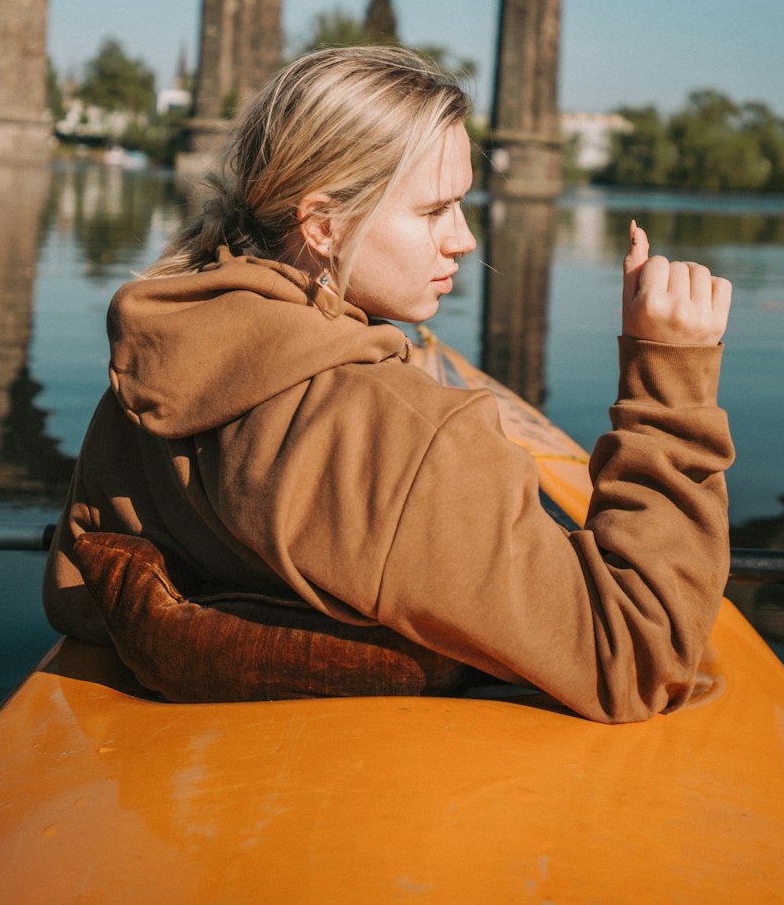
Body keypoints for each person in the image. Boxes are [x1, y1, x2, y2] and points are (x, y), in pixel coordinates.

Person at [44, 45, 734, 722]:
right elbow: (638, 658)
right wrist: (669, 375)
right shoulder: (412, 438)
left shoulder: (155, 358)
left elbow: (72, 591)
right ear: (324, 224)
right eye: (435, 211)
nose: (463, 239)